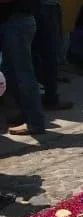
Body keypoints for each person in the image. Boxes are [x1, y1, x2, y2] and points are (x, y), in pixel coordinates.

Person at [0, 0, 46, 135]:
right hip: (13, 23)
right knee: (9, 73)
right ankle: (27, 114)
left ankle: (35, 122)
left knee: (23, 75)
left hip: (17, 23)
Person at [33, 0, 74, 111]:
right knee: (49, 54)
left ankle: (38, 97)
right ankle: (50, 98)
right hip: (47, 7)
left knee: (35, 55)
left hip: (33, 8)